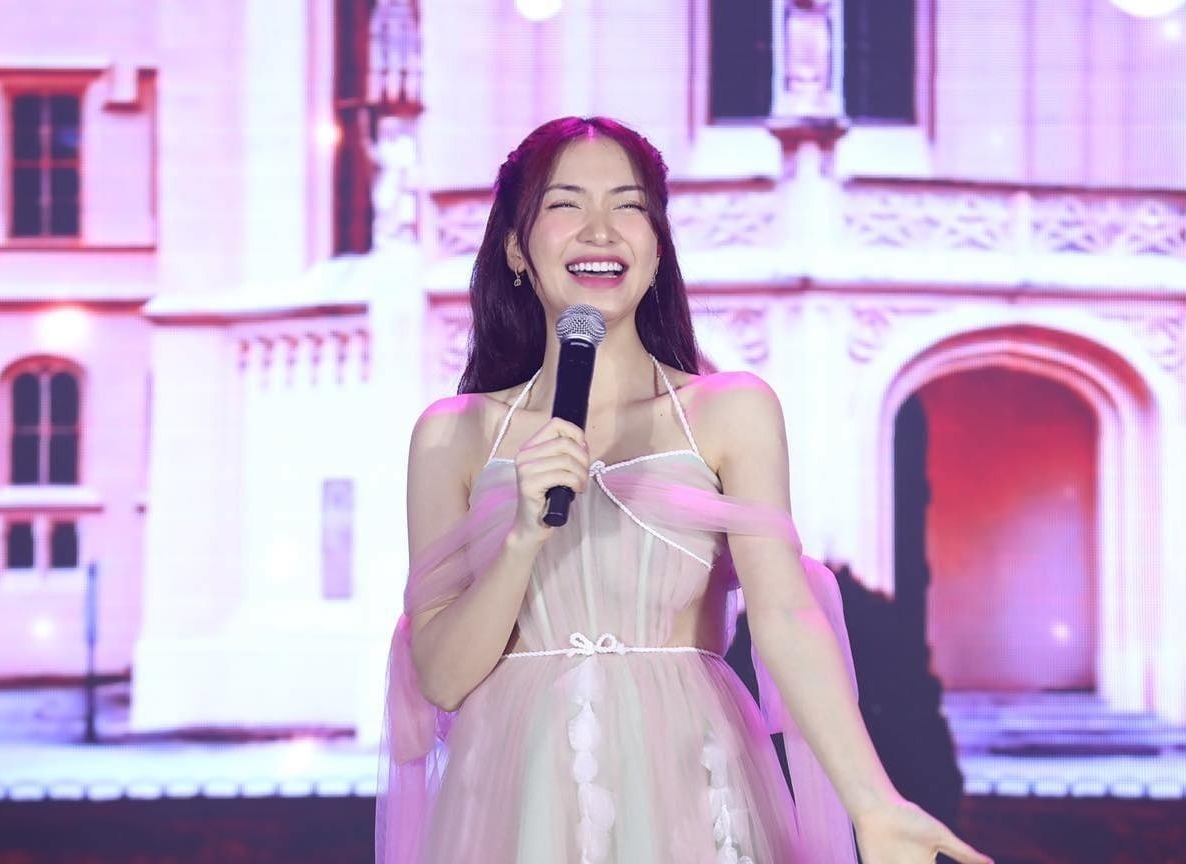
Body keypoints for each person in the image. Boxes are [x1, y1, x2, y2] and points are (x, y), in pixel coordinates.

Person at [376, 116, 991, 864]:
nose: (601, 230)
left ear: (658, 245)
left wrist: (875, 805)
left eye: (629, 206)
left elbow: (786, 615)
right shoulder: (453, 434)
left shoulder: (730, 411)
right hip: (513, 797)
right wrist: (522, 540)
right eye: (566, 203)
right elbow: (440, 680)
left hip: (688, 787)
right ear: (515, 247)